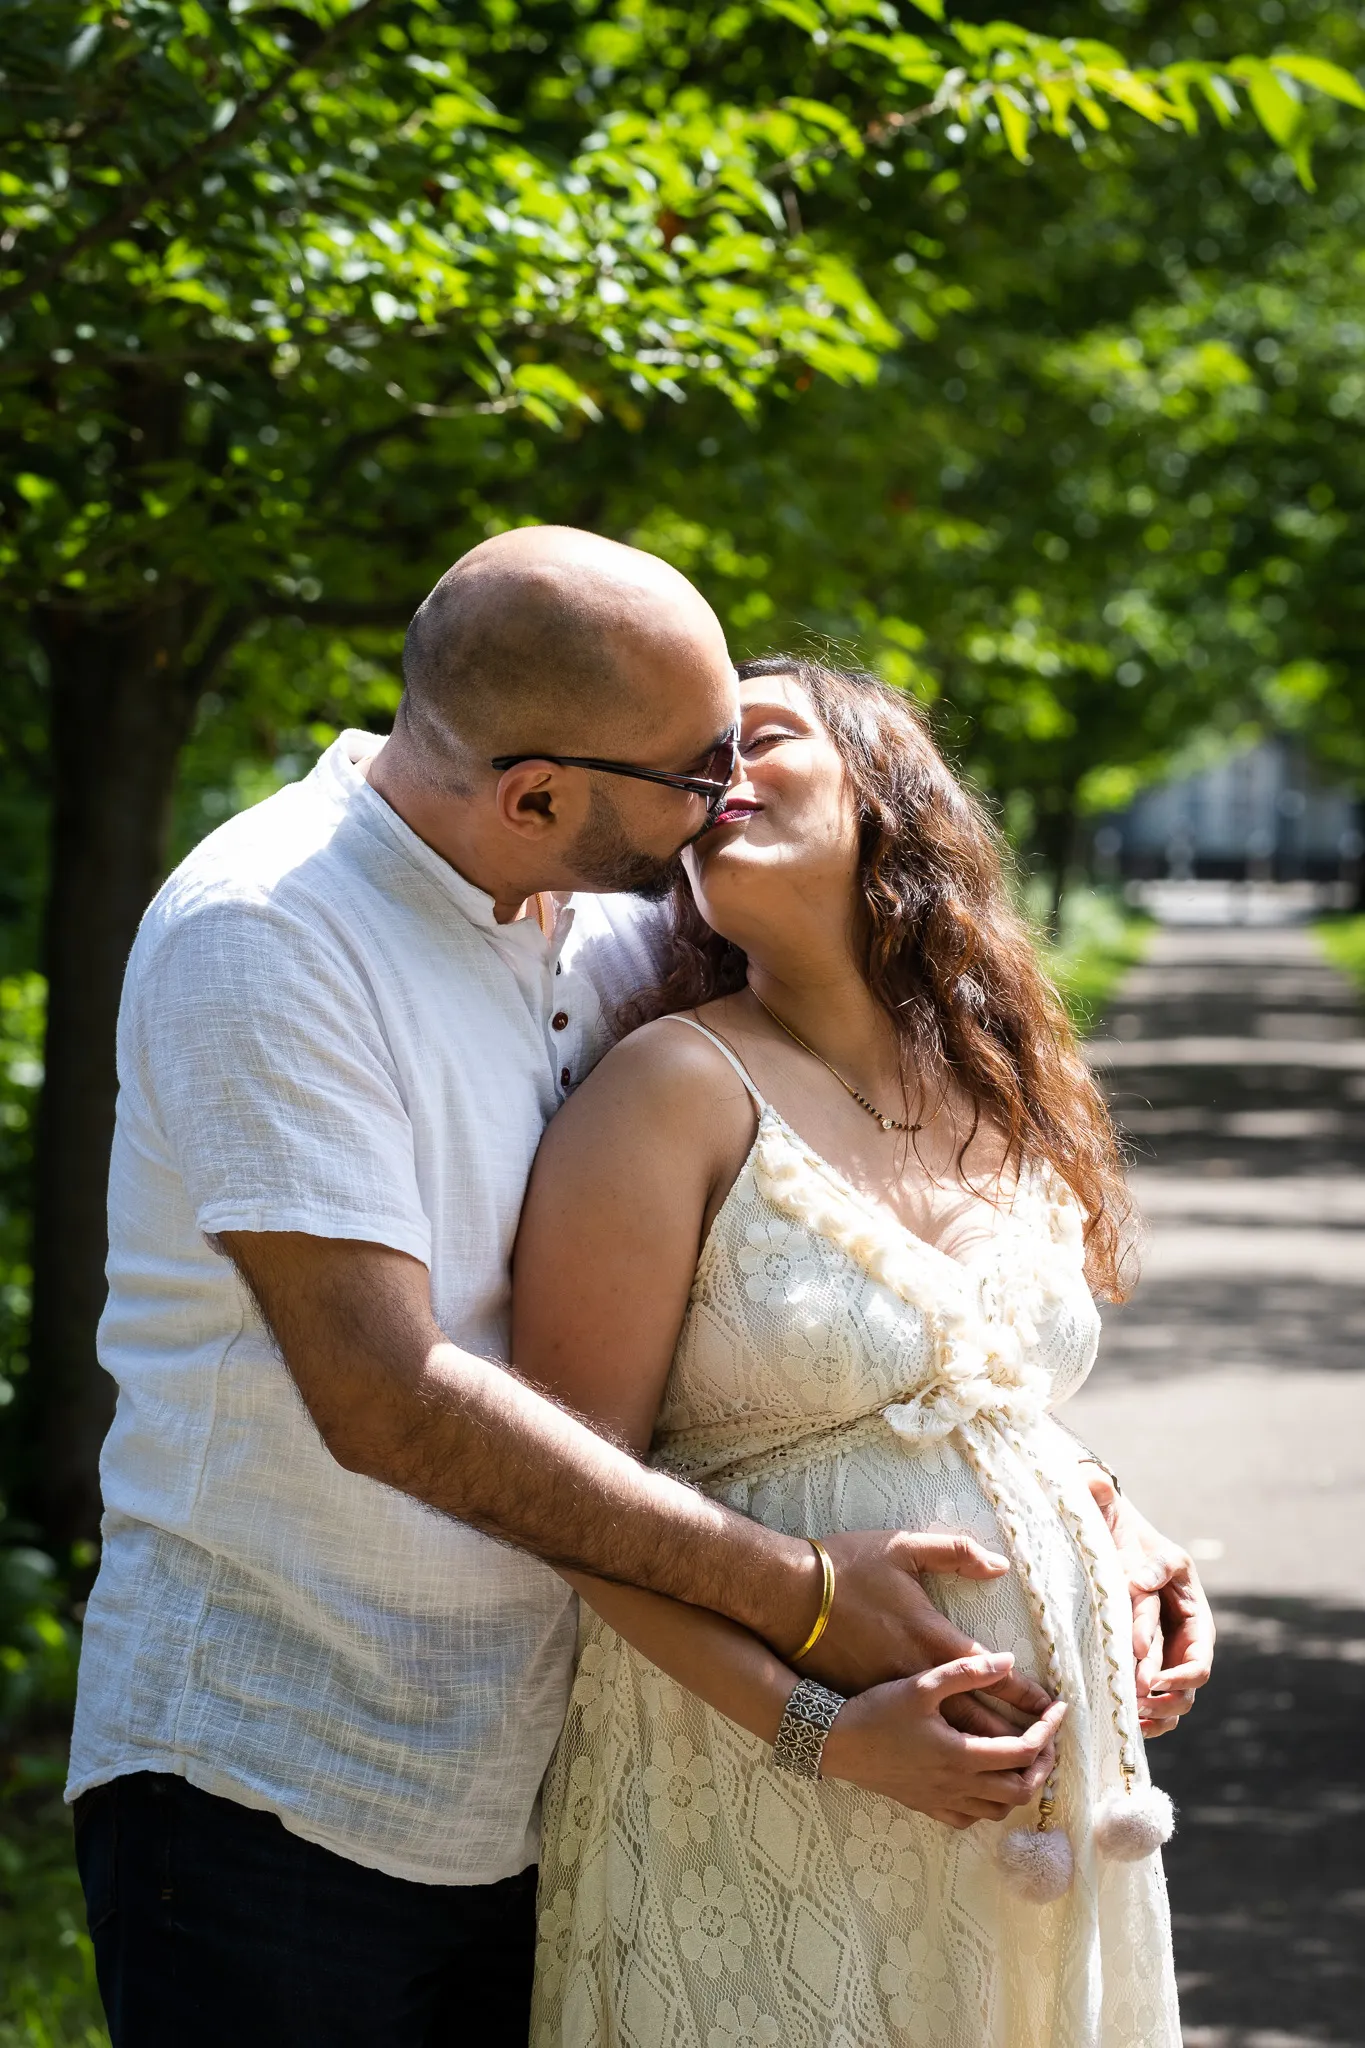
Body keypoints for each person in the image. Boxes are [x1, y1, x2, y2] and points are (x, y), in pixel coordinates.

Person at [66, 532, 1070, 2048]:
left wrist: (1083, 1512)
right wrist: (798, 1602)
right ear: (535, 792)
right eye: (695, 767)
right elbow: (387, 1402)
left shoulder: (602, 919)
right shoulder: (270, 935)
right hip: (278, 1781)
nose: (724, 790)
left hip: (551, 1778)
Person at [516, 656, 1214, 2048]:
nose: (721, 777)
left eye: (761, 739)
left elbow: (979, 1397)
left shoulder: (1000, 1083)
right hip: (754, 1786)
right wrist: (821, 1735)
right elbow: (565, 1499)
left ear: (885, 792)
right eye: (698, 762)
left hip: (1037, 1820)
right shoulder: (670, 1092)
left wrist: (1112, 1518)